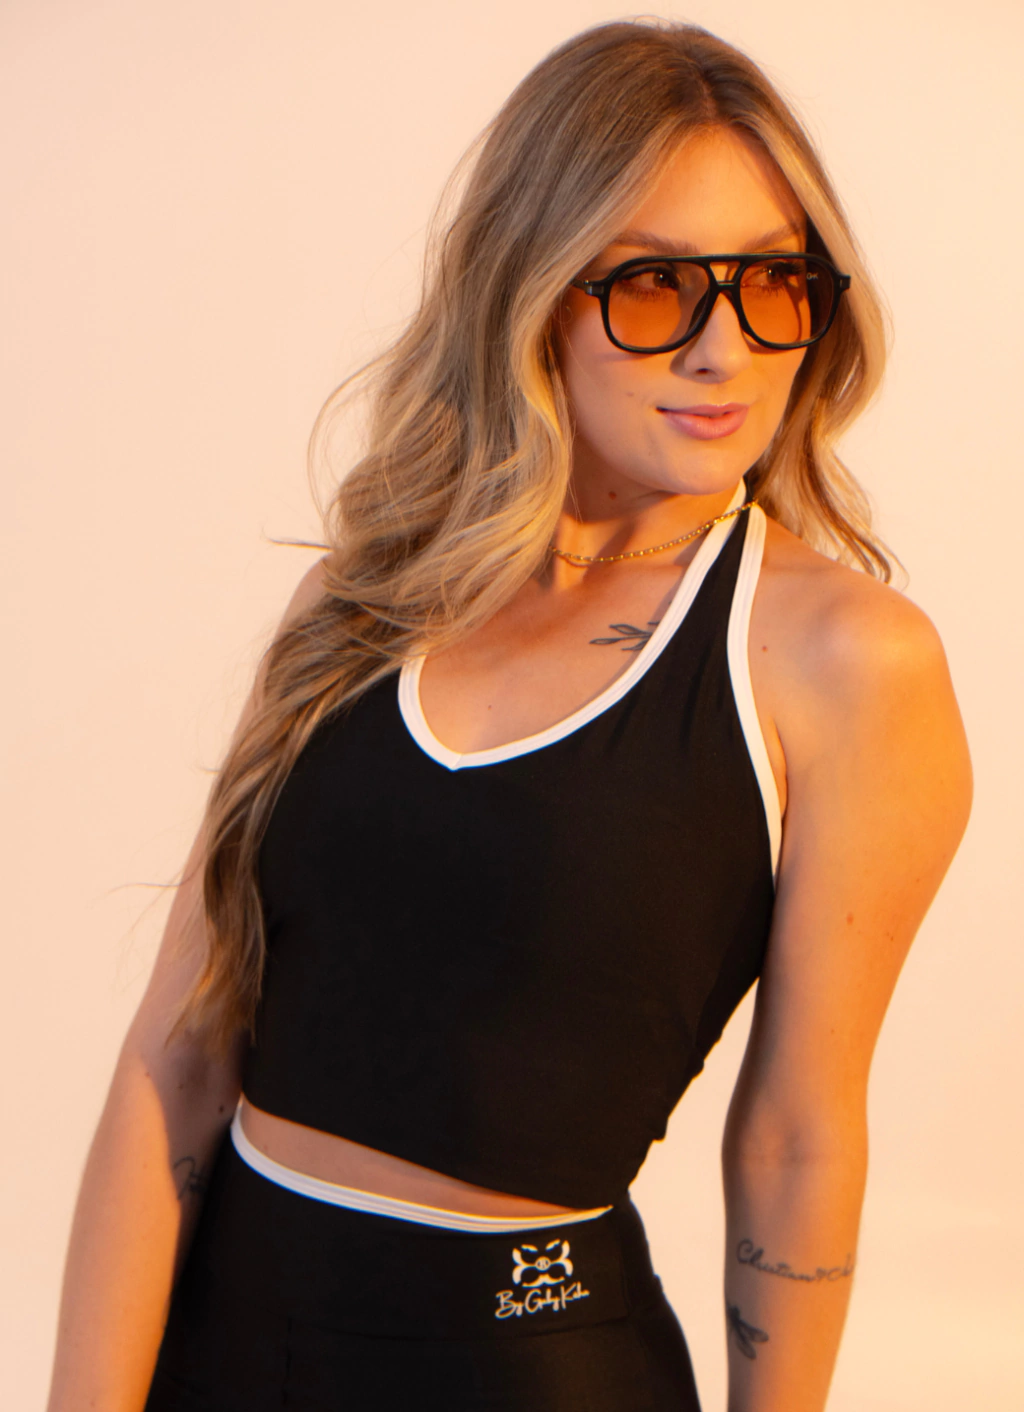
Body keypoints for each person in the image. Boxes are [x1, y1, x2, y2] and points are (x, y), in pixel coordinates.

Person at [46, 19, 971, 1412]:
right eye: (654, 284)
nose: (723, 348)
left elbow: (797, 1137)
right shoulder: (366, 600)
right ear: (534, 287)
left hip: (527, 1368)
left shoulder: (842, 660)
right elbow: (175, 1059)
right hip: (226, 1345)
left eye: (775, 282)